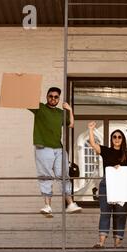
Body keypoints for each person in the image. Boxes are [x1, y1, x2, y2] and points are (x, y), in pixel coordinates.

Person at [28, 87, 82, 217]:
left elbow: (71, 124)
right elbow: (26, 100)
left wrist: (69, 109)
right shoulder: (40, 108)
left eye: (56, 97)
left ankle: (70, 203)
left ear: (58, 98)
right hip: (43, 147)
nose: (53, 99)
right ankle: (47, 205)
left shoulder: (60, 112)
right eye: (50, 96)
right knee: (45, 175)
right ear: (47, 97)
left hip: (58, 148)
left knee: (63, 174)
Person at [88, 122, 127, 248]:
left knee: (120, 214)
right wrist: (90, 129)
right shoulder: (106, 151)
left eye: (119, 137)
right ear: (111, 139)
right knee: (105, 213)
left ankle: (117, 244)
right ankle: (101, 242)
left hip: (122, 188)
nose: (117, 139)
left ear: (122, 139)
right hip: (106, 185)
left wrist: (121, 169)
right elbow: (93, 144)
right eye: (114, 137)